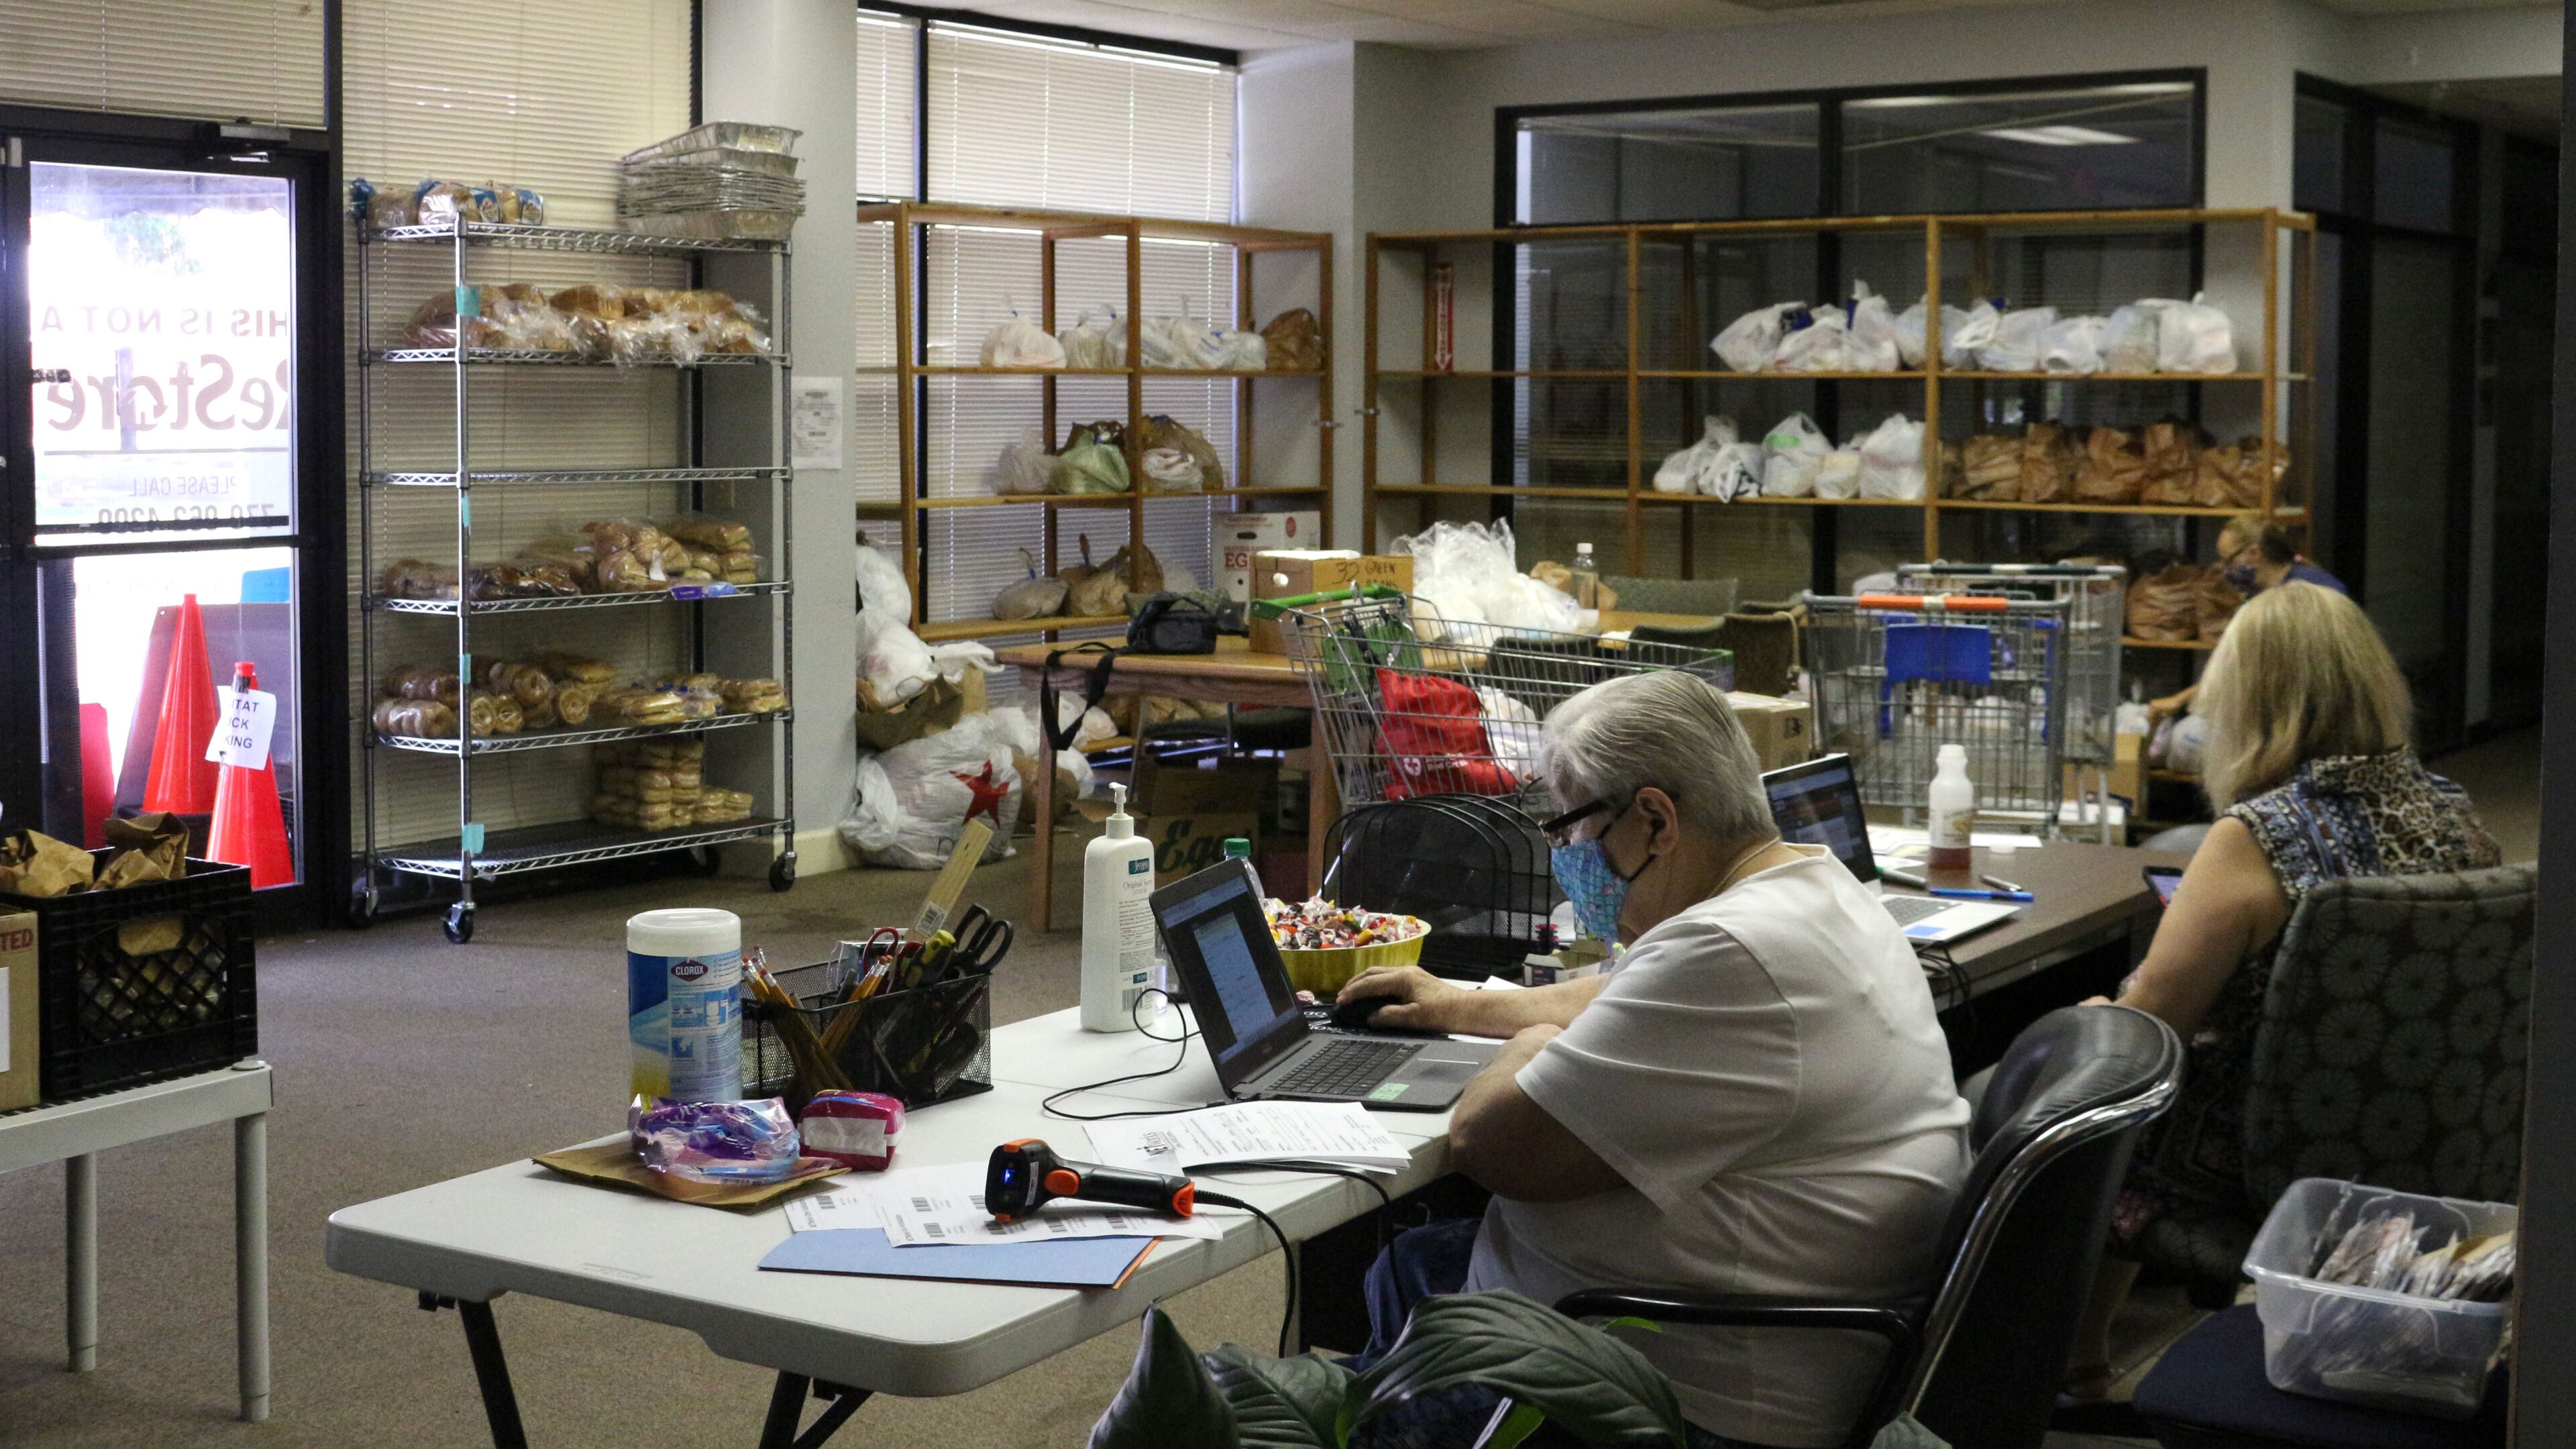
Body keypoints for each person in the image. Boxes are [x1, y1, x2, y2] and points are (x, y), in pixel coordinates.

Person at [1333, 670, 1970, 1449]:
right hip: (1771, 1328)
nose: (1568, 856)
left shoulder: (1730, 949)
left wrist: (1534, 1045)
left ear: (1656, 821)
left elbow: (1492, 1146)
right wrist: (1461, 1006)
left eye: (1571, 827)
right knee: (1410, 1261)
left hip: (1691, 1391)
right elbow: (1630, 989)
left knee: (1314, 1397)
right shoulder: (1812, 890)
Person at [2065, 582, 2500, 1398]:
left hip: (2269, 1169)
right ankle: (2079, 1354)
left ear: (2249, 703)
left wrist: (2096, 1021)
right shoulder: (2456, 814)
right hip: (2429, 1144)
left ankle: (2053, 1364)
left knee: (2072, 1099)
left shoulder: (2254, 837)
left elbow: (2152, 1032)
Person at [2149, 515, 2347, 724]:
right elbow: (2239, 666)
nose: (2225, 570)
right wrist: (2181, 700)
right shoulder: (2259, 596)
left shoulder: (2313, 593)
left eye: (2228, 561)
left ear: (2254, 554)